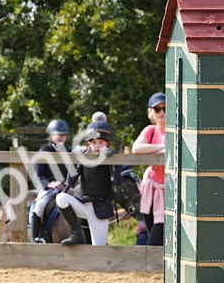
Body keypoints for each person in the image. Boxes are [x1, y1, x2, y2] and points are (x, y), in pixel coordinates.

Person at [54, 118, 128, 246]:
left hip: (100, 209)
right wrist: (76, 160)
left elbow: (117, 182)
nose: (97, 145)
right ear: (89, 144)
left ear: (107, 143)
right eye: (94, 142)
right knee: (61, 198)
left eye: (101, 142)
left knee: (98, 247)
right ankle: (76, 233)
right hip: (84, 204)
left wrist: (115, 163)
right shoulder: (84, 156)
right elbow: (71, 178)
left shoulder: (110, 158)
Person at [131, 92, 167, 246]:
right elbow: (136, 148)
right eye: (157, 109)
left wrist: (152, 150)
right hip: (150, 191)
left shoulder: (176, 130)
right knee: (152, 232)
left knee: (155, 240)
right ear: (151, 112)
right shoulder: (150, 130)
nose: (162, 112)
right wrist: (161, 148)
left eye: (165, 108)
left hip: (168, 191)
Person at [27, 119, 73, 243]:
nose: (60, 137)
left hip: (66, 188)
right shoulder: (44, 151)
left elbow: (73, 171)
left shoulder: (69, 152)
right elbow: (38, 175)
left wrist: (69, 182)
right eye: (57, 134)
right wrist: (50, 184)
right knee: (40, 204)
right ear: (50, 135)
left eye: (63, 134)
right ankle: (36, 236)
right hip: (48, 188)